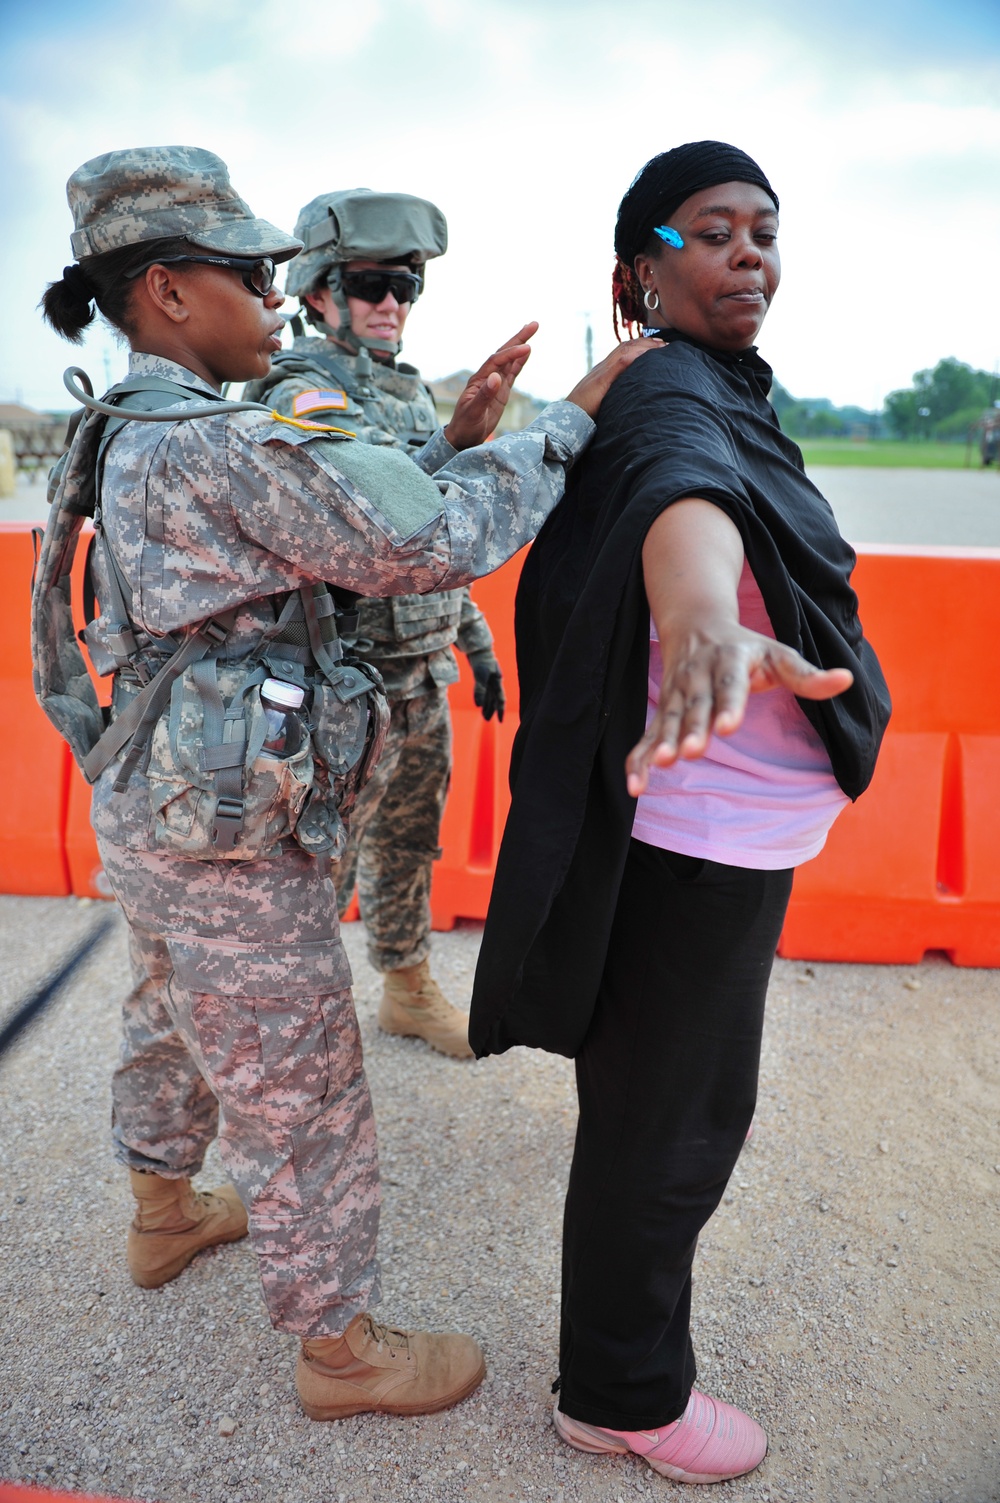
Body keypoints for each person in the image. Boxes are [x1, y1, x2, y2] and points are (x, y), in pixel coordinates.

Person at [36, 144, 653, 1423]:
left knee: (168, 1005)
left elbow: (326, 519)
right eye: (250, 270)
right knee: (299, 1074)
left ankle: (161, 1212)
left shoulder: (130, 423)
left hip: (156, 798)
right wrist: (570, 421)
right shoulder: (219, 435)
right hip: (225, 830)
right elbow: (421, 544)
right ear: (165, 290)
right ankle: (342, 1353)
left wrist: (449, 434)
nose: (274, 291)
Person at [469, 141, 891, 1483]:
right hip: (696, 841)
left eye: (766, 231)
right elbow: (681, 486)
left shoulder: (702, 382)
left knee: (666, 1096)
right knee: (669, 1126)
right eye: (712, 231)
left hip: (721, 839)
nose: (751, 253)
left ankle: (637, 1270)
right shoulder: (668, 391)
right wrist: (703, 610)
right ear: (637, 272)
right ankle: (621, 1389)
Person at [243, 188, 501, 1061]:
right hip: (346, 680)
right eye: (371, 284)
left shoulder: (412, 391)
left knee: (409, 840)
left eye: (407, 287)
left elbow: (439, 539)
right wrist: (458, 446)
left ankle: (404, 983)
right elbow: (366, 513)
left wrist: (477, 647)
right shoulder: (301, 387)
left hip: (423, 672)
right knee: (322, 861)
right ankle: (301, 1023)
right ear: (317, 292)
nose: (392, 303)